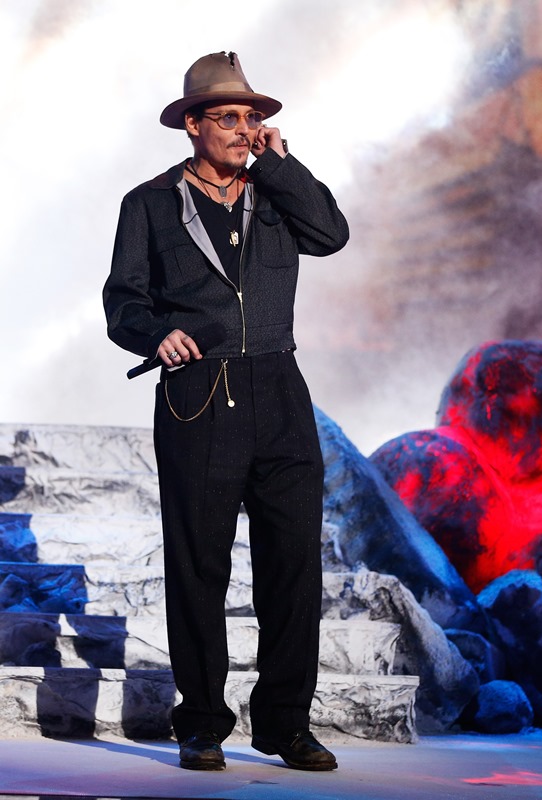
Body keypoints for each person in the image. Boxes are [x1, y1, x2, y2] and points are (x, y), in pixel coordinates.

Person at [103, 51, 349, 772]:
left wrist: (282, 165)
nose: (246, 129)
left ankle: (286, 724)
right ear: (193, 125)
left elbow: (331, 234)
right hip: (198, 396)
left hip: (279, 390)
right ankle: (203, 723)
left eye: (254, 117)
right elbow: (123, 302)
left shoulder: (276, 192)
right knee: (199, 566)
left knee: (294, 565)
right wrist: (156, 334)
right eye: (231, 117)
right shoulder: (149, 204)